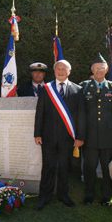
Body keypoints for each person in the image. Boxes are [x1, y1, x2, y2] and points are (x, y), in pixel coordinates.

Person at [34, 59, 85, 210]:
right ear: (54, 71)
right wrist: (37, 133)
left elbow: (81, 115)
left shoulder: (78, 90)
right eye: (58, 69)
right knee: (48, 167)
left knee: (64, 167)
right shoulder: (46, 89)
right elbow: (40, 113)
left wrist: (80, 137)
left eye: (64, 69)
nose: (61, 71)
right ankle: (44, 196)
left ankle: (63, 195)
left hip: (67, 137)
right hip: (48, 136)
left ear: (69, 71)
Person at [79, 54, 112, 206]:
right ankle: (89, 195)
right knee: (89, 167)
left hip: (108, 136)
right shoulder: (83, 86)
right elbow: (80, 113)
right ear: (92, 70)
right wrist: (80, 135)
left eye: (102, 68)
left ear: (107, 70)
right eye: (96, 68)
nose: (99, 71)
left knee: (107, 168)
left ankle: (106, 195)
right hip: (89, 136)